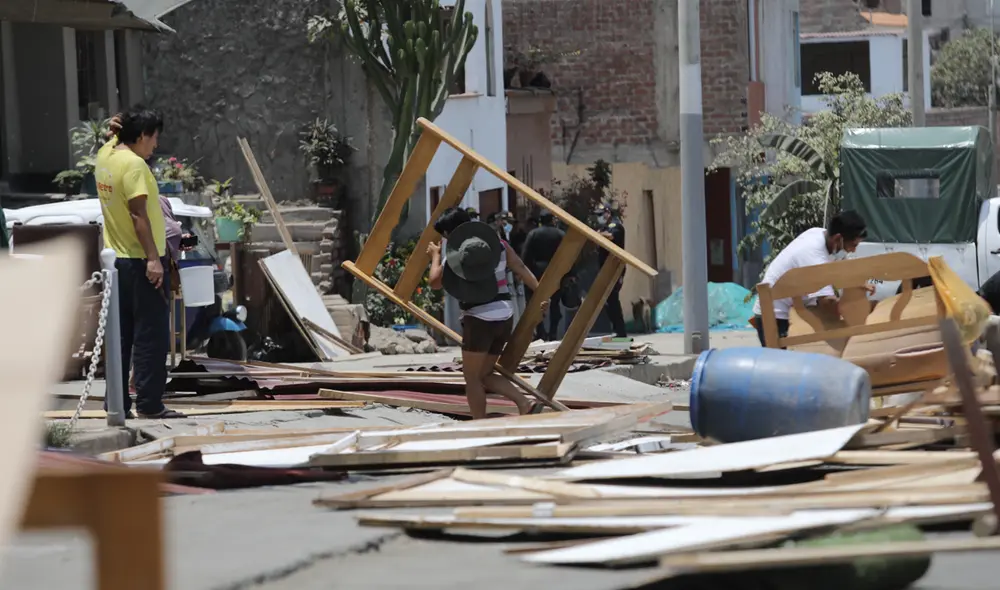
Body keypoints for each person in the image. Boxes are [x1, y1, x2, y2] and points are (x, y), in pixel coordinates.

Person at [95, 105, 184, 419]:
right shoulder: (134, 165)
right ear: (142, 135)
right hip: (140, 260)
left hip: (116, 261)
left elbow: (112, 135)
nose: (155, 145)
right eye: (154, 137)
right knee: (151, 336)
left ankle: (116, 403)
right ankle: (149, 404)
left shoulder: (105, 155)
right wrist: (153, 260)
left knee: (120, 337)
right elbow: (138, 215)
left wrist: (113, 130)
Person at [427, 207, 548, 419]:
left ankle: (479, 424)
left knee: (472, 378)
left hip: (479, 319)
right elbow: (520, 267)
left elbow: (434, 282)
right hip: (505, 315)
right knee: (485, 374)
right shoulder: (499, 246)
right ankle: (524, 403)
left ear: (450, 233)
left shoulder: (459, 255)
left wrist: (436, 256)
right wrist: (541, 293)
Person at [751, 210, 871, 347]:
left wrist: (857, 285)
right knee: (781, 359)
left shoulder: (820, 234)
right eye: (853, 245)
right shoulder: (814, 255)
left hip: (792, 307)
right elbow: (826, 302)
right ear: (838, 238)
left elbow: (838, 270)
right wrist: (853, 308)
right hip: (775, 315)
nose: (853, 250)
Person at [521, 212, 566, 340]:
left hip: (536, 272)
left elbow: (526, 255)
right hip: (556, 272)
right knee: (555, 303)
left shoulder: (533, 234)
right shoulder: (560, 234)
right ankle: (553, 332)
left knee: (536, 303)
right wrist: (569, 273)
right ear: (552, 220)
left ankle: (540, 331)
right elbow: (567, 255)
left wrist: (525, 272)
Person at [595, 204, 627, 337]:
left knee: (613, 299)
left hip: (615, 268)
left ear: (607, 212)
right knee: (608, 300)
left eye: (600, 214)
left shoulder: (615, 225)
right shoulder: (603, 228)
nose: (599, 217)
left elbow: (611, 236)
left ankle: (621, 333)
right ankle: (616, 330)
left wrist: (598, 234)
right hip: (605, 268)